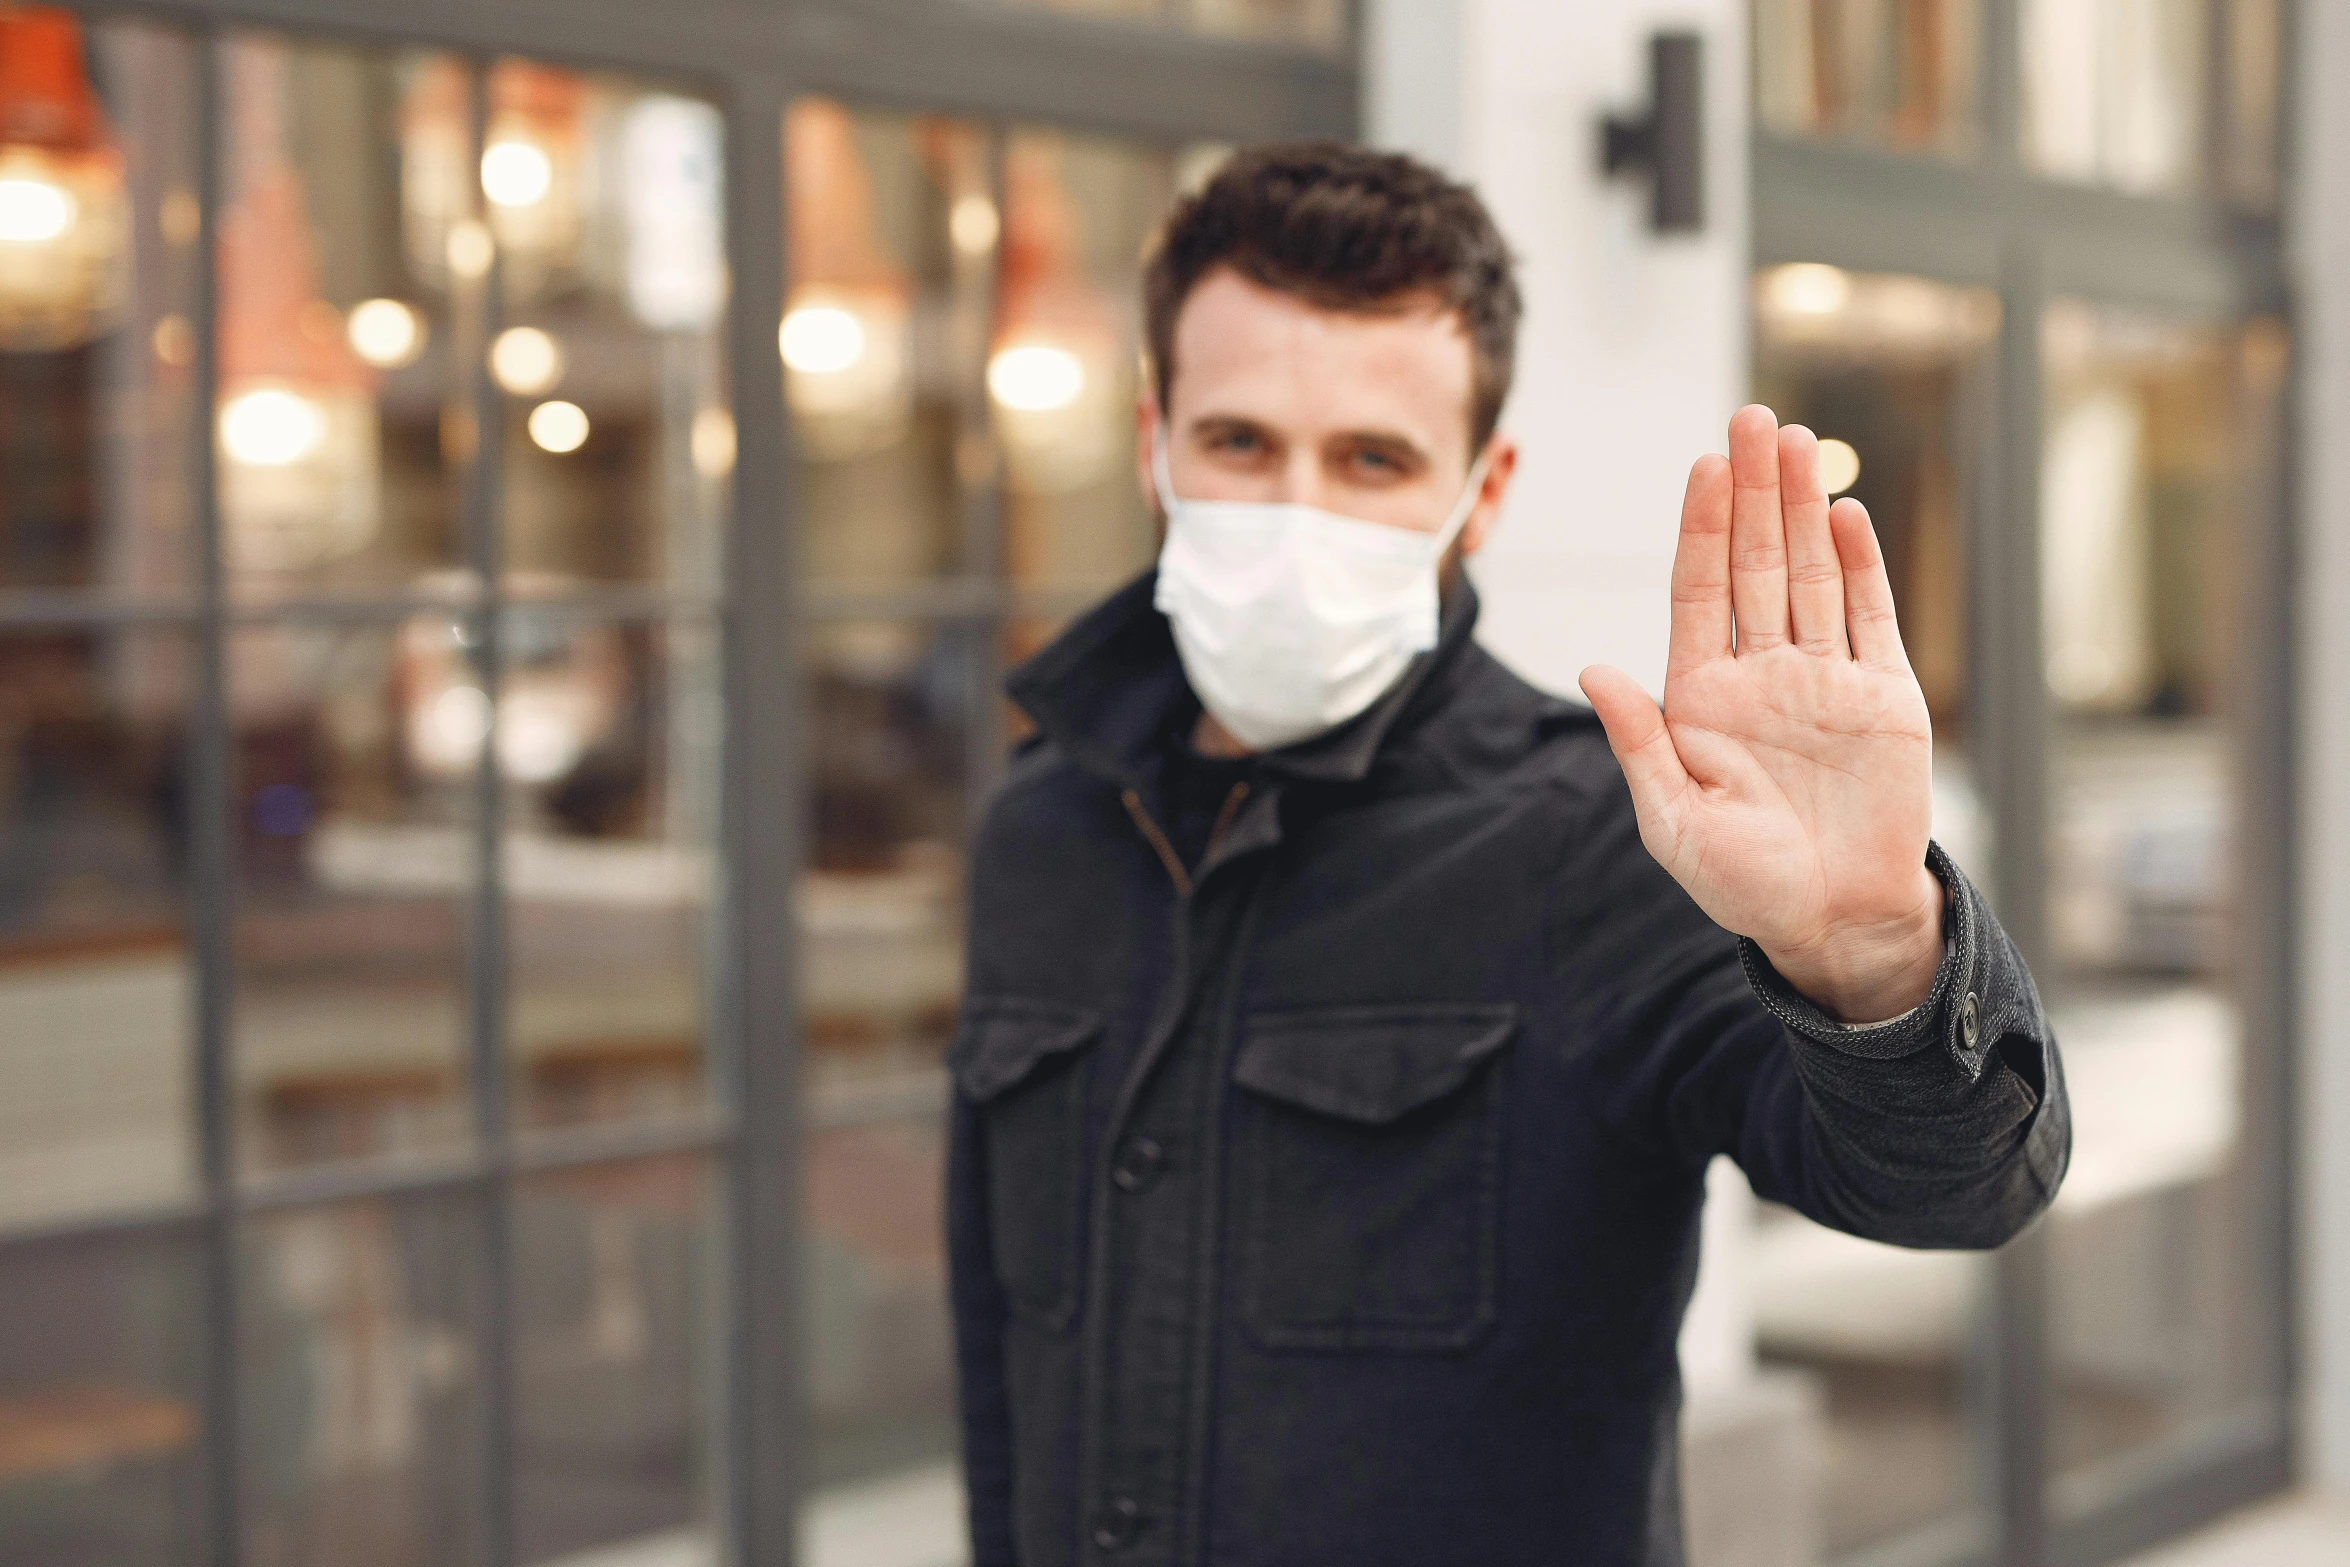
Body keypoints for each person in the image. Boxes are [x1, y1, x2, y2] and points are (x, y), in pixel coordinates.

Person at [945, 143, 2068, 1567]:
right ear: (1153, 442)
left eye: (1371, 458)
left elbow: (1964, 1187)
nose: (1298, 514)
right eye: (1240, 443)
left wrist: (1867, 947)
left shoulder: (1611, 843)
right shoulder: (1037, 830)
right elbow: (1001, 1362)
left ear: (1480, 492)